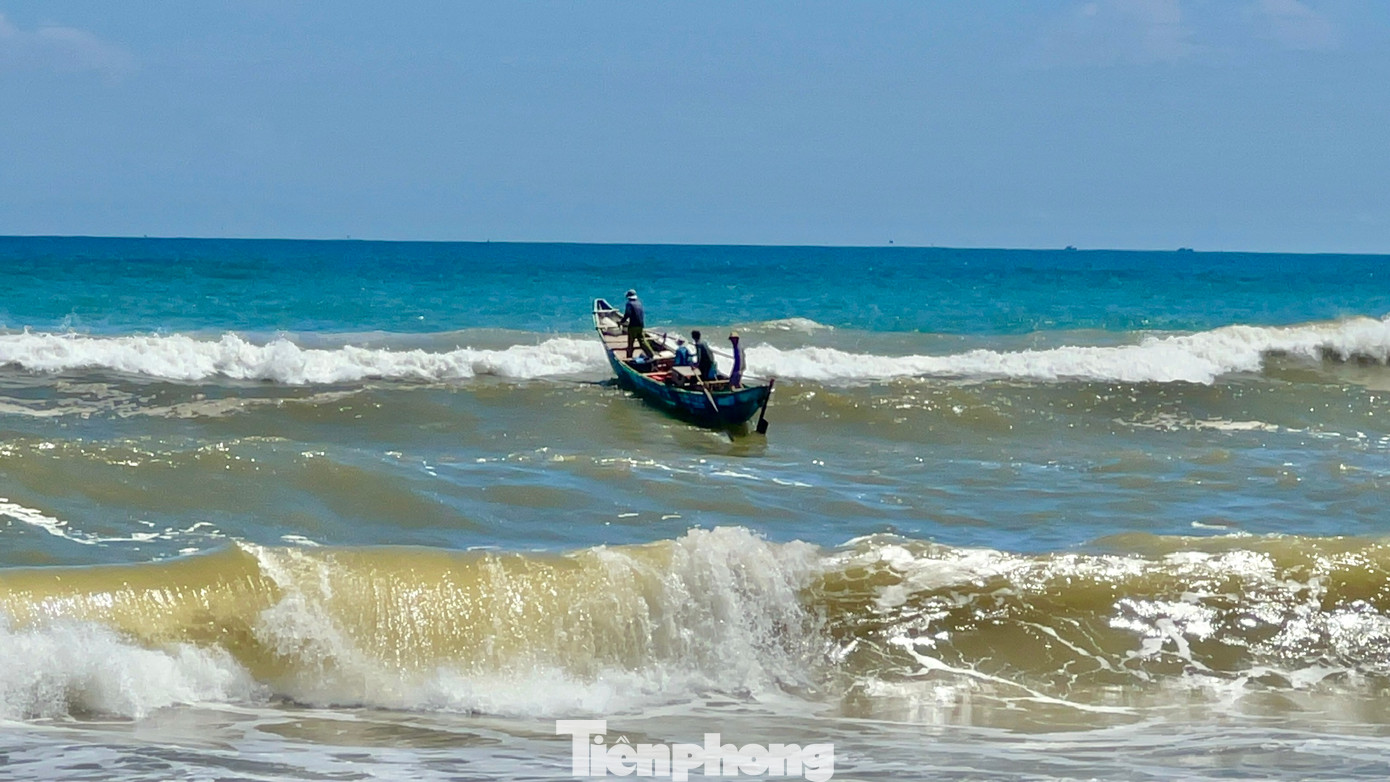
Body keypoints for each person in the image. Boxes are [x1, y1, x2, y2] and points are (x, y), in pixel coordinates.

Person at [617, 289, 652, 358]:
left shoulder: (629, 304)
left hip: (633, 326)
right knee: (642, 341)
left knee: (630, 343)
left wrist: (621, 322)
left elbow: (627, 314)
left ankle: (629, 357)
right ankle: (651, 354)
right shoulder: (639, 303)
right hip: (641, 325)